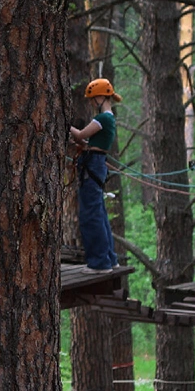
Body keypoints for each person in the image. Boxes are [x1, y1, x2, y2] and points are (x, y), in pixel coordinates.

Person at [67, 78, 120, 272]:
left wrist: (65, 124)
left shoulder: (103, 118)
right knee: (99, 213)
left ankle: (99, 263)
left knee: (90, 214)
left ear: (100, 97)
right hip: (95, 162)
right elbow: (89, 143)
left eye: (92, 99)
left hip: (93, 165)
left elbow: (80, 135)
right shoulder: (109, 118)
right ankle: (109, 258)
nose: (91, 103)